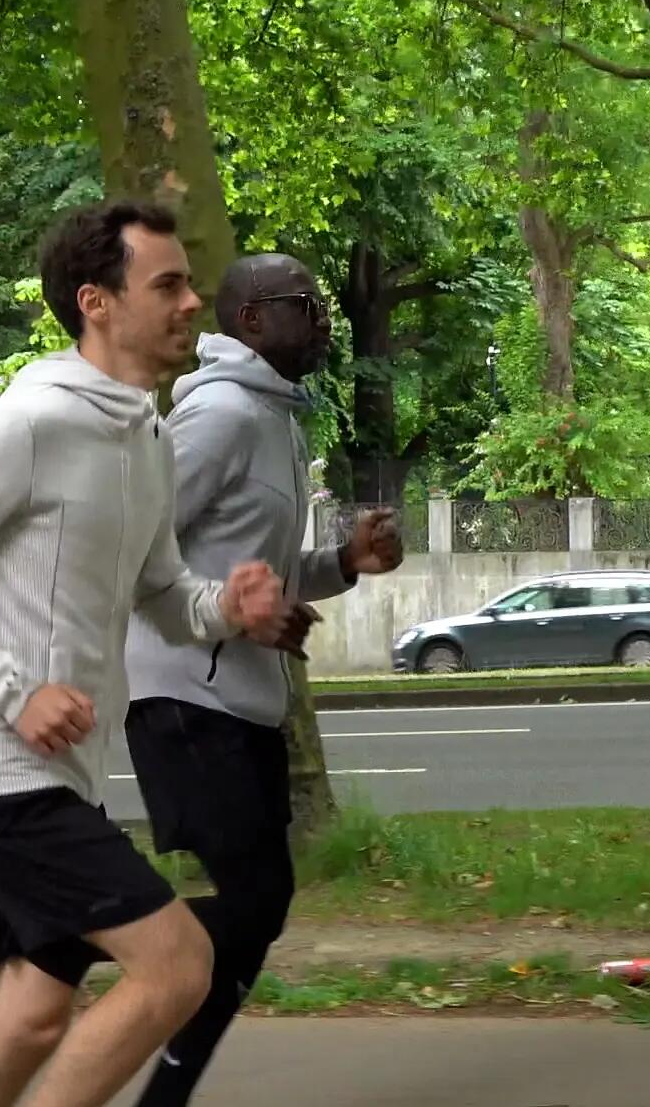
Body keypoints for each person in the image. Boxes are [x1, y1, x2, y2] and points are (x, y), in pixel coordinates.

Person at [0, 201, 290, 1107]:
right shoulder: (30, 423)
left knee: (27, 1013)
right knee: (178, 965)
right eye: (168, 284)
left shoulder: (144, 436)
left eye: (189, 281)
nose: (192, 302)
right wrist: (14, 691)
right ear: (96, 302)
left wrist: (230, 607)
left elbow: (161, 593)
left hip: (62, 777)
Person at [123, 253, 405, 1107]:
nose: (323, 320)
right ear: (251, 320)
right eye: (305, 305)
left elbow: (256, 568)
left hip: (239, 698)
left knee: (255, 912)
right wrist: (236, 614)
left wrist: (345, 562)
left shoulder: (276, 419)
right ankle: (50, 935)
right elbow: (135, 551)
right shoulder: (218, 415)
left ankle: (156, 1081)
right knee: (254, 903)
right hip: (182, 694)